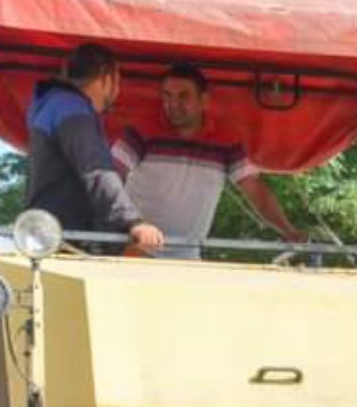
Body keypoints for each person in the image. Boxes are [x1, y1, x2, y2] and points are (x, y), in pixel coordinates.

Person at [110, 60, 306, 257]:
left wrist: (287, 230)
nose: (173, 104)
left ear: (203, 100)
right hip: (136, 250)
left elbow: (254, 189)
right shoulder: (140, 131)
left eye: (183, 96)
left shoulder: (227, 140)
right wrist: (133, 223)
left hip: (188, 257)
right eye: (167, 96)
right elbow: (112, 175)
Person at [23, 45, 164, 255]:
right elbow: (96, 170)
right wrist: (132, 221)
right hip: (67, 243)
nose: (118, 90)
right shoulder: (71, 109)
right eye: (117, 81)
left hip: (48, 237)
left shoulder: (52, 106)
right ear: (106, 78)